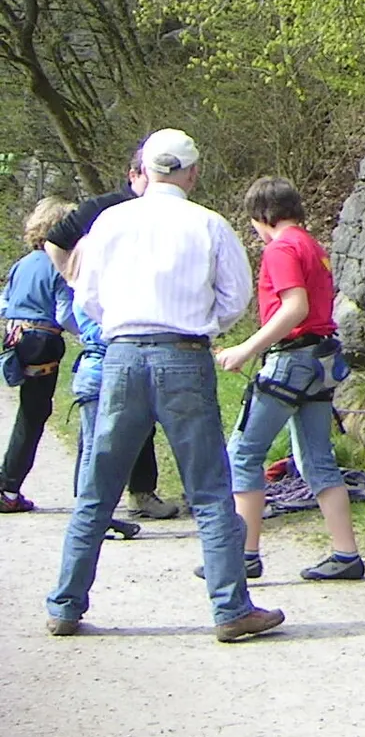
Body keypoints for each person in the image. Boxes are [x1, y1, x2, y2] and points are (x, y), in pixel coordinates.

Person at [47, 128, 284, 641]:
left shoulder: (109, 222)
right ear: (193, 173)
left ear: (146, 170)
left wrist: (122, 323)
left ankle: (65, 603)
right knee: (209, 487)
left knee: (98, 486)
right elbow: (236, 295)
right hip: (183, 354)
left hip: (123, 355)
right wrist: (201, 324)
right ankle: (230, 608)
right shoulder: (208, 223)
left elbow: (85, 294)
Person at [213, 177, 364, 582]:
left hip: (291, 361)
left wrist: (245, 349)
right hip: (322, 361)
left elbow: (294, 308)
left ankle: (244, 555)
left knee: (243, 453)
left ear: (263, 217)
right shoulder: (313, 246)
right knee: (316, 459)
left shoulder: (280, 248)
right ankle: (346, 554)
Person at [45, 147, 178, 521]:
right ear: (134, 173)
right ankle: (91, 510)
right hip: (109, 342)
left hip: (134, 335)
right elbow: (55, 242)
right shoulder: (105, 210)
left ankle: (133, 495)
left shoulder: (166, 210)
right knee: (98, 436)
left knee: (133, 425)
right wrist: (75, 280)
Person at [0, 198, 78, 512]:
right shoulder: (58, 266)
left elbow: (5, 302)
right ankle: (8, 488)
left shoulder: (22, 263)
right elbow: (65, 314)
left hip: (15, 337)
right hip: (42, 341)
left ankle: (8, 483)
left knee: (29, 412)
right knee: (33, 416)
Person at [54, 284, 141, 539]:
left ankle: (93, 515)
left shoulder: (82, 293)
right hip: (103, 369)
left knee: (93, 446)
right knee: (97, 448)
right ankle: (91, 518)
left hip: (90, 369)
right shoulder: (104, 294)